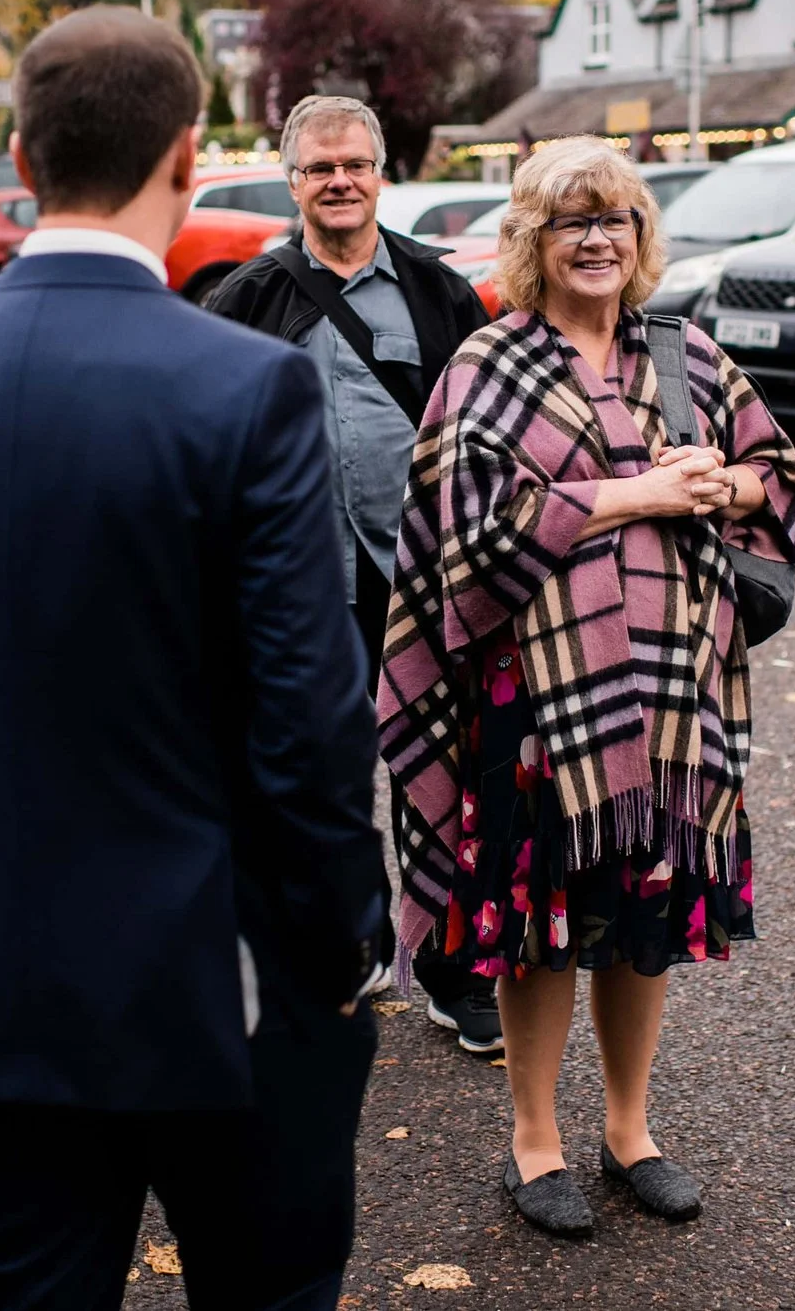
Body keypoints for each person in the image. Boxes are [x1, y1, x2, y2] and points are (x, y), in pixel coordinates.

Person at [0, 7, 387, 1311]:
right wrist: (336, 951)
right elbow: (310, 710)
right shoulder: (247, 386)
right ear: (189, 155)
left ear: (18, 156)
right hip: (225, 981)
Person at [377, 137, 795, 1240]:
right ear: (532, 239)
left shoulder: (687, 353)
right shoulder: (488, 363)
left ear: (640, 234)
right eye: (571, 220)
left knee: (642, 917)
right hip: (536, 699)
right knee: (537, 921)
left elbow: (780, 474)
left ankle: (630, 1129)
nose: (596, 238)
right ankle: (535, 1140)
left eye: (614, 217)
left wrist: (725, 479)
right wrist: (635, 490)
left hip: (672, 695)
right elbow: (467, 540)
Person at [206, 94, 502, 1054]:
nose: (339, 180)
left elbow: (482, 432)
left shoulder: (437, 289)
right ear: (292, 181)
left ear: (381, 175)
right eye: (319, 167)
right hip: (293, 591)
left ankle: (457, 974)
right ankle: (349, 948)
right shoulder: (247, 298)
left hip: (418, 580)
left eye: (355, 164)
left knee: (440, 781)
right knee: (312, 786)